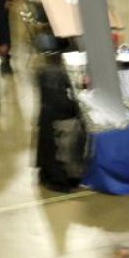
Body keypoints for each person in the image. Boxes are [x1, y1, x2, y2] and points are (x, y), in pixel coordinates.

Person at [34, 58, 82, 192]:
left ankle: (49, 176)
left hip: (48, 121)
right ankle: (61, 180)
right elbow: (69, 106)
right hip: (59, 128)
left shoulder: (45, 77)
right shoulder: (61, 97)